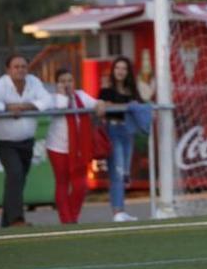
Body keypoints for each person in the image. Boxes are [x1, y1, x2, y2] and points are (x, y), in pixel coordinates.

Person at [0, 54, 53, 227]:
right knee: (15, 174)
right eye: (16, 67)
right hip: (4, 141)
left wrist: (27, 106)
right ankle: (16, 219)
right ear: (8, 70)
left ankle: (6, 222)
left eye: (23, 66)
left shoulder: (34, 82)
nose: (20, 70)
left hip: (27, 140)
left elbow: (48, 100)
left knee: (17, 180)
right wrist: (6, 107)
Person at [46, 69, 106, 224]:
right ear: (57, 84)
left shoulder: (81, 95)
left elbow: (95, 102)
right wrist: (61, 94)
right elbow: (60, 106)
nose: (67, 84)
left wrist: (100, 104)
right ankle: (67, 220)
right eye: (63, 81)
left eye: (69, 80)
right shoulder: (52, 98)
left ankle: (71, 218)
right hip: (57, 148)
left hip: (78, 149)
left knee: (81, 186)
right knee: (62, 183)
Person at [99, 56, 142, 222]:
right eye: (118, 68)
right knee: (116, 172)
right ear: (113, 70)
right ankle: (117, 211)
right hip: (113, 130)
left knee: (125, 173)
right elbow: (101, 110)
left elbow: (140, 107)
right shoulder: (106, 90)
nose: (120, 71)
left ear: (128, 72)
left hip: (128, 132)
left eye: (124, 68)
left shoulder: (132, 91)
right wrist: (106, 105)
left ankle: (121, 210)